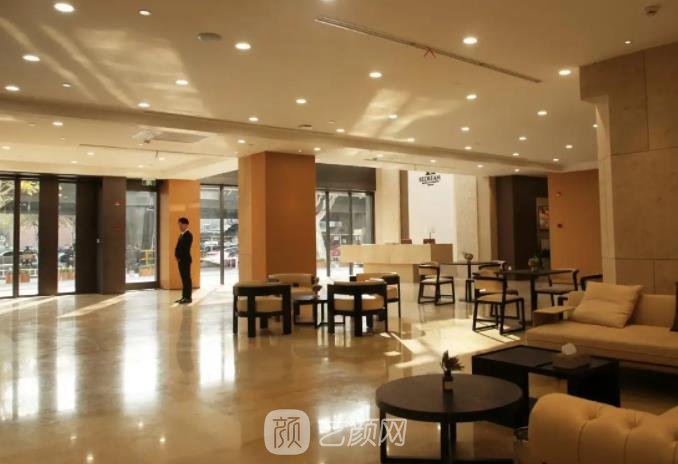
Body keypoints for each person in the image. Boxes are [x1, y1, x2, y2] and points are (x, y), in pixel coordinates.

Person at [175, 217, 193, 304]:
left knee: (186, 279)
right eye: (179, 225)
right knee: (183, 279)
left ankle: (188, 297)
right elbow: (178, 247)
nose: (179, 226)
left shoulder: (188, 235)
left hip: (185, 260)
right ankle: (184, 297)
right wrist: (177, 256)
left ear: (186, 225)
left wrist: (180, 257)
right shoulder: (181, 235)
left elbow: (185, 249)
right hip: (181, 260)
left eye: (181, 225)